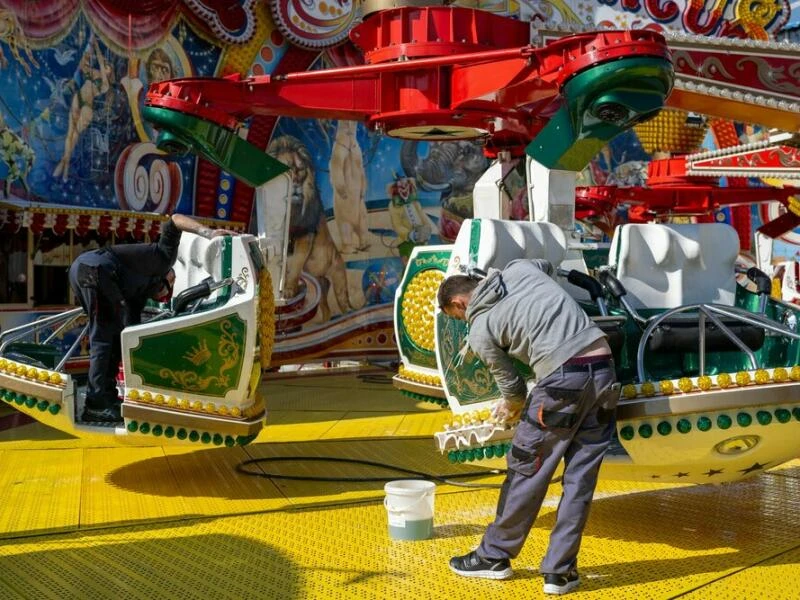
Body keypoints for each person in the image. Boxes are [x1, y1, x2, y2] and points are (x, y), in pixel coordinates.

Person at [437, 259, 619, 596]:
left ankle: (494, 556)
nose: (463, 322)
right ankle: (559, 573)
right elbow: (548, 263)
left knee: (526, 469)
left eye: (457, 317)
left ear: (458, 303)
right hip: (605, 370)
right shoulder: (520, 269)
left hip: (562, 383)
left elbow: (514, 388)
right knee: (580, 480)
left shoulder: (480, 328)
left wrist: (509, 409)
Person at [69, 214, 234, 424]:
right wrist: (208, 233)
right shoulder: (163, 258)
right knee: (102, 335)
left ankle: (106, 397)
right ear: (166, 276)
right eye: (169, 284)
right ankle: (95, 405)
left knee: (116, 339)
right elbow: (174, 220)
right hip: (95, 269)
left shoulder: (137, 295)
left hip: (90, 274)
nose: (163, 292)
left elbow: (131, 335)